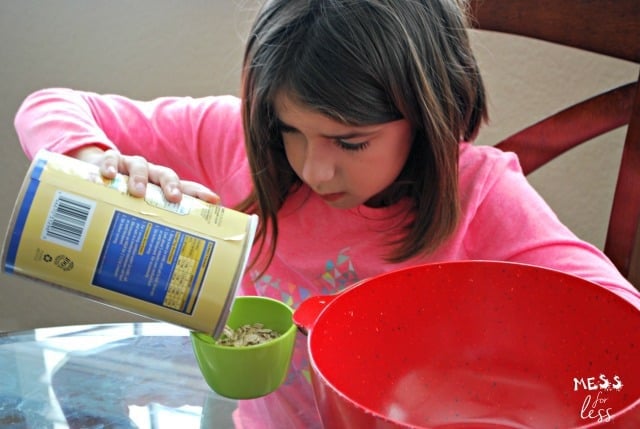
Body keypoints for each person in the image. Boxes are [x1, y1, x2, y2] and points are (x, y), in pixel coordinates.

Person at [13, 0, 639, 427]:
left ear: (428, 116)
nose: (314, 169)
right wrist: (94, 161)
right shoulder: (234, 139)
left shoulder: (480, 194)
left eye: (350, 142)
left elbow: (617, 317)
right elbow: (50, 105)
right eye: (292, 130)